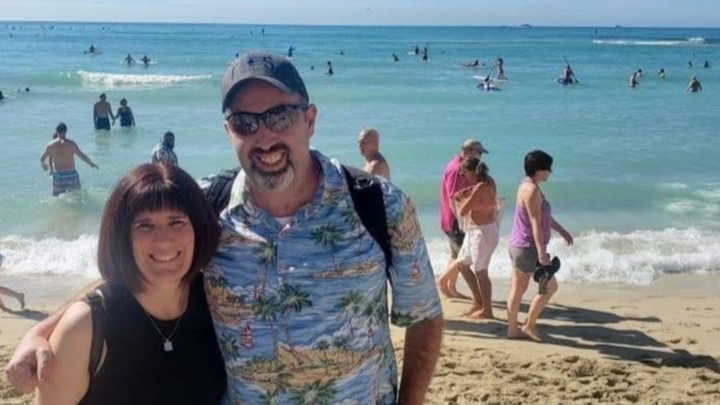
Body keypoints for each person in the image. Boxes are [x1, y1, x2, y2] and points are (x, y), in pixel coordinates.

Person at [9, 51, 443, 405]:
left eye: (280, 116)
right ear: (228, 130)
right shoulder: (205, 206)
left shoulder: (378, 204)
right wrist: (42, 330)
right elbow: (137, 267)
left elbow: (424, 315)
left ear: (309, 119)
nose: (264, 137)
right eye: (244, 122)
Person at [34, 164, 226, 405]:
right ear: (122, 237)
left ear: (198, 228)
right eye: (145, 225)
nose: (163, 239)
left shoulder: (217, 302)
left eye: (176, 222)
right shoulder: (87, 326)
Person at [506, 150, 573, 342]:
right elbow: (535, 223)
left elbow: (543, 217)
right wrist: (542, 254)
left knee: (517, 290)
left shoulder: (526, 185)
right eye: (548, 168)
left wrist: (561, 230)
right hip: (528, 249)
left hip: (518, 246)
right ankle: (529, 325)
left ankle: (512, 330)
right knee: (549, 288)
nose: (550, 172)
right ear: (538, 170)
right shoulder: (532, 191)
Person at [438, 157, 499, 319]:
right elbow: (479, 197)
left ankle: (487, 310)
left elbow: (464, 210)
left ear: (472, 172)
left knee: (481, 273)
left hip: (482, 233)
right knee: (462, 265)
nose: (464, 177)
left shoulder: (480, 187)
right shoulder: (488, 182)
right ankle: (478, 302)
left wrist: (462, 198)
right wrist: (466, 192)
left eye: (464, 173)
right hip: (475, 231)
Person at [437, 139, 489, 299]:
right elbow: (453, 198)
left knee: (456, 254)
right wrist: (461, 222)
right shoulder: (457, 169)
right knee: (463, 256)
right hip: (454, 221)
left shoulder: (463, 166)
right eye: (479, 153)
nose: (480, 157)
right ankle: (442, 281)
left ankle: (451, 288)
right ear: (470, 151)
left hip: (453, 219)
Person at [40, 123, 99, 196]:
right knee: (78, 196)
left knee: (56, 197)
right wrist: (91, 163)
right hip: (71, 174)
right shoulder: (71, 144)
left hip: (58, 175)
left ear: (57, 131)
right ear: (66, 131)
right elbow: (81, 155)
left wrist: (44, 166)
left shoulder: (50, 145)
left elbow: (42, 159)